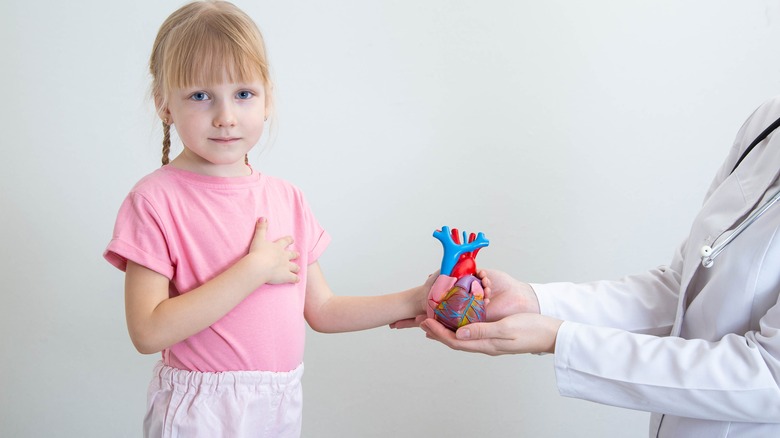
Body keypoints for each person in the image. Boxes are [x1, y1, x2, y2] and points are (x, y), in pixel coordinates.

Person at [103, 2, 428, 437]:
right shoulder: (155, 200)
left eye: (243, 94)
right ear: (164, 104)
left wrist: (416, 300)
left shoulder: (285, 198)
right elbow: (147, 331)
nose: (225, 116)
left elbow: (324, 310)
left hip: (279, 404)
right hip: (203, 412)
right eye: (200, 96)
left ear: (267, 97)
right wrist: (253, 270)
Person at [420, 96, 780, 437]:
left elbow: (770, 375)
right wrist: (533, 300)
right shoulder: (768, 122)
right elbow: (682, 289)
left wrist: (559, 338)